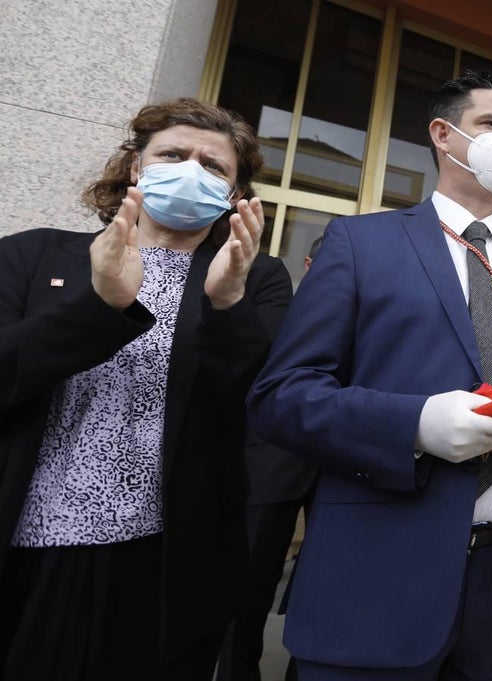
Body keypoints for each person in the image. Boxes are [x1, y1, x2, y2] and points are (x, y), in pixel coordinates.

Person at [247, 69, 492, 681]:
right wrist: (414, 424)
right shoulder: (361, 243)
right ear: (443, 133)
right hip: (377, 572)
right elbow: (282, 395)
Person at [0, 98, 293, 679]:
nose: (192, 169)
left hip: (168, 557)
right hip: (30, 542)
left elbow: (259, 404)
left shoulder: (257, 278)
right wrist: (102, 304)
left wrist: (227, 303)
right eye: (173, 154)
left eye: (214, 166)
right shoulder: (35, 255)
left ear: (235, 194)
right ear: (138, 167)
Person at [217, 237, 325, 681]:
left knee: (325, 594)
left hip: (340, 475)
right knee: (247, 594)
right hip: (270, 467)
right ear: (308, 264)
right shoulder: (279, 305)